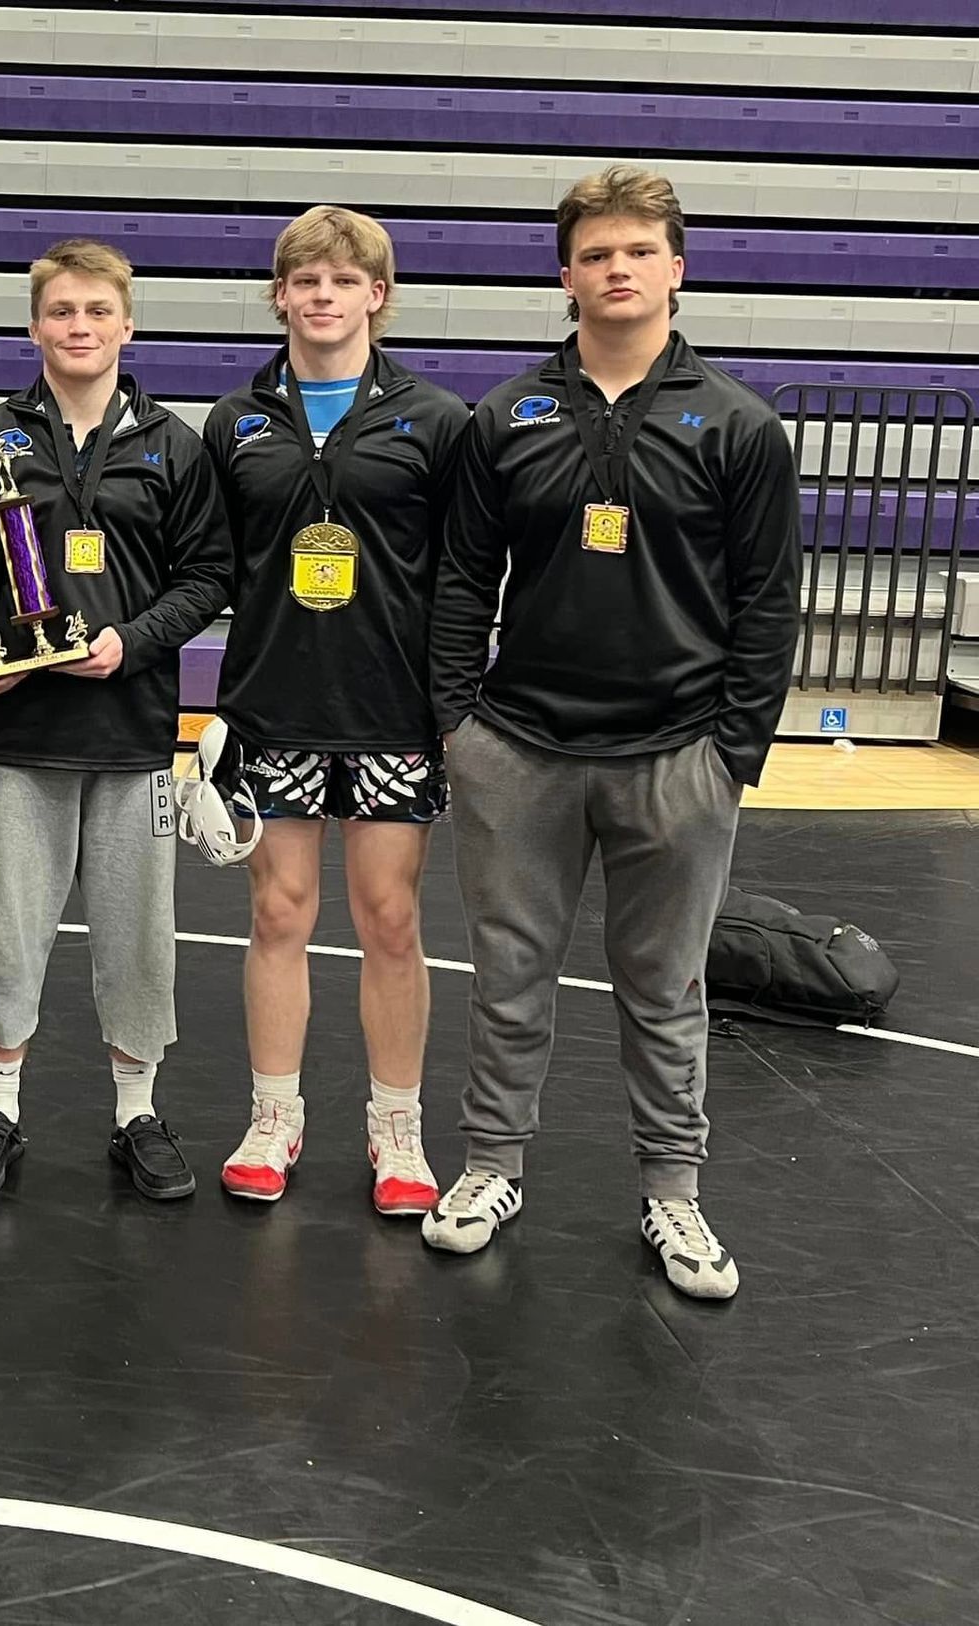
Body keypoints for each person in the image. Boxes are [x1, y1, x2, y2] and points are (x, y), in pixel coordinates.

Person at [426, 166, 801, 1299]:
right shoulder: (511, 417)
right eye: (597, 254)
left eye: (640, 250)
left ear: (677, 269)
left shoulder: (736, 425)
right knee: (509, 975)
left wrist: (732, 756)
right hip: (521, 755)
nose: (618, 268)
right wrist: (459, 727)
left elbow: (768, 602)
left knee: (666, 987)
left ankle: (674, 1193)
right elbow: (458, 584)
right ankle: (492, 1165)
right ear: (567, 276)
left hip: (676, 758)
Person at [0, 238, 234, 1201]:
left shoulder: (172, 447)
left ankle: (135, 1113)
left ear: (126, 324)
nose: (79, 327)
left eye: (98, 311)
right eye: (61, 311)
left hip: (134, 733)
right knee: (10, 929)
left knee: (138, 935)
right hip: (23, 733)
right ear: (35, 325)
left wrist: (134, 643)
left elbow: (209, 575)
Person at [202, 206, 467, 1212]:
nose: (322, 295)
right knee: (278, 913)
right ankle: (276, 1118)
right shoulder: (237, 422)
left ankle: (397, 1130)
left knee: (391, 919)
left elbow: (462, 576)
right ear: (280, 295)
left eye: (343, 280)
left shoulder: (436, 421)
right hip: (274, 706)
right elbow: (207, 568)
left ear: (377, 295)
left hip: (392, 709)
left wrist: (451, 705)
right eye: (304, 279)